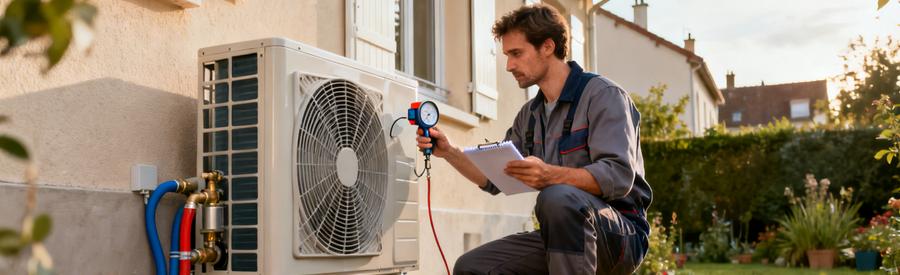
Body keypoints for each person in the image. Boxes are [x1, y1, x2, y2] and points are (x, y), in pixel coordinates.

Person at [416, 4, 652, 275]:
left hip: (621, 234)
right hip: (562, 235)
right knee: (473, 267)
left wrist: (549, 175)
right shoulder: (529, 116)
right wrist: (449, 151)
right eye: (507, 55)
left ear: (548, 47)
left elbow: (619, 176)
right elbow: (494, 177)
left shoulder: (604, 96)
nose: (509, 65)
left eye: (516, 53)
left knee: (557, 197)